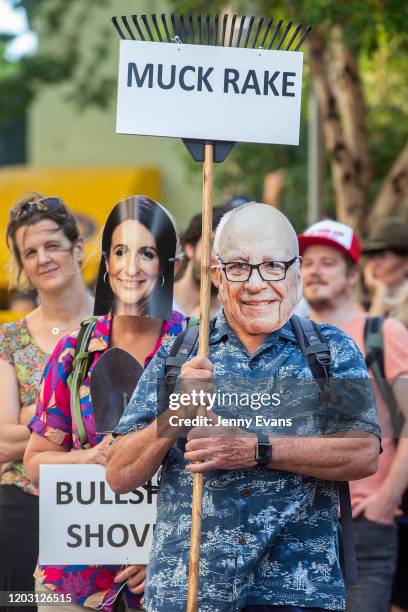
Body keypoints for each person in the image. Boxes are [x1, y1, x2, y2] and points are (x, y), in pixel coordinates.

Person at [107, 203, 380, 612]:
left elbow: (362, 452)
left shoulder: (329, 351)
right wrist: (178, 412)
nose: (256, 284)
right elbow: (119, 473)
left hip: (297, 591)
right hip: (189, 593)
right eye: (238, 267)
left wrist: (256, 449)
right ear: (215, 275)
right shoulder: (180, 354)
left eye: (273, 266)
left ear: (297, 272)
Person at [24, 195, 188, 612]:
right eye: (120, 251)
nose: (131, 267)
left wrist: (171, 552)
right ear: (106, 263)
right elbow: (36, 461)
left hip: (169, 581)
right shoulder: (73, 351)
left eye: (147, 252)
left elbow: (225, 474)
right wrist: (91, 458)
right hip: (71, 583)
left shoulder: (198, 347)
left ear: (169, 262)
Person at [299, 219, 408, 612]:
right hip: (300, 523)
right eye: (306, 262)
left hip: (365, 523)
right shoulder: (287, 338)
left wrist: (385, 500)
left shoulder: (384, 332)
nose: (314, 271)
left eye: (327, 262)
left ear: (352, 275)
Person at [0, 193, 93, 608]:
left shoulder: (117, 327)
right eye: (30, 252)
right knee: (17, 603)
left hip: (99, 505)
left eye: (52, 245)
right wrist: (77, 423)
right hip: (22, 511)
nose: (43, 258)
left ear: (77, 249)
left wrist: (32, 415)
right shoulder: (9, 338)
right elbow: (2, 443)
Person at [173, 204, 232, 318]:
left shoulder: (233, 318)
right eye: (214, 244)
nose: (221, 258)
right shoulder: (156, 301)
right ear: (190, 248)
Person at [361, 217, 408, 318]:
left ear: (406, 263)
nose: (374, 264)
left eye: (383, 257)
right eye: (372, 257)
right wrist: (381, 292)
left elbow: (374, 333)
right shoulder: (362, 306)